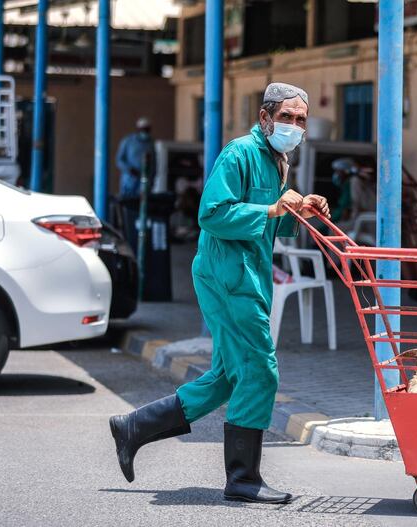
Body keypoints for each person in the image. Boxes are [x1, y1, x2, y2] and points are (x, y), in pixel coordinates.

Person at [108, 83, 330, 504]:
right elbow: (210, 214)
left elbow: (273, 223)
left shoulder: (276, 160)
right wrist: (270, 208)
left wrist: (297, 209)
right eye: (287, 117)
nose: (294, 126)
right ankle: (243, 479)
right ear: (265, 118)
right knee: (260, 369)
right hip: (228, 275)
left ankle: (134, 426)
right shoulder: (240, 152)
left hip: (248, 274)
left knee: (229, 376)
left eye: (301, 120)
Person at [116, 117, 157, 199]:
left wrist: (152, 180)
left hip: (144, 182)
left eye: (147, 129)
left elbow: (154, 163)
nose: (145, 132)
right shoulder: (128, 141)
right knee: (127, 204)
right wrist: (129, 169)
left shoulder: (152, 144)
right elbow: (119, 160)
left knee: (142, 204)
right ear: (138, 129)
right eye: (143, 129)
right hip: (129, 181)